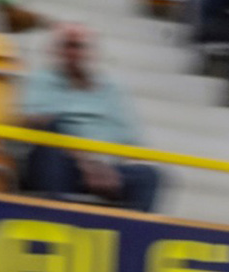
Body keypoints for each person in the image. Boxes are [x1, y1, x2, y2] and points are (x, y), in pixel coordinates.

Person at [19, 24, 160, 212]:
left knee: (149, 176)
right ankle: (56, 220)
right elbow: (35, 122)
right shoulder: (42, 79)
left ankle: (131, 237)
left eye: (78, 46)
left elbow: (129, 141)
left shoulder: (111, 89)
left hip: (106, 168)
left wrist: (105, 168)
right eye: (67, 46)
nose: (72, 52)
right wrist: (88, 164)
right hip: (61, 163)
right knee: (52, 136)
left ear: (92, 53)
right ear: (56, 51)